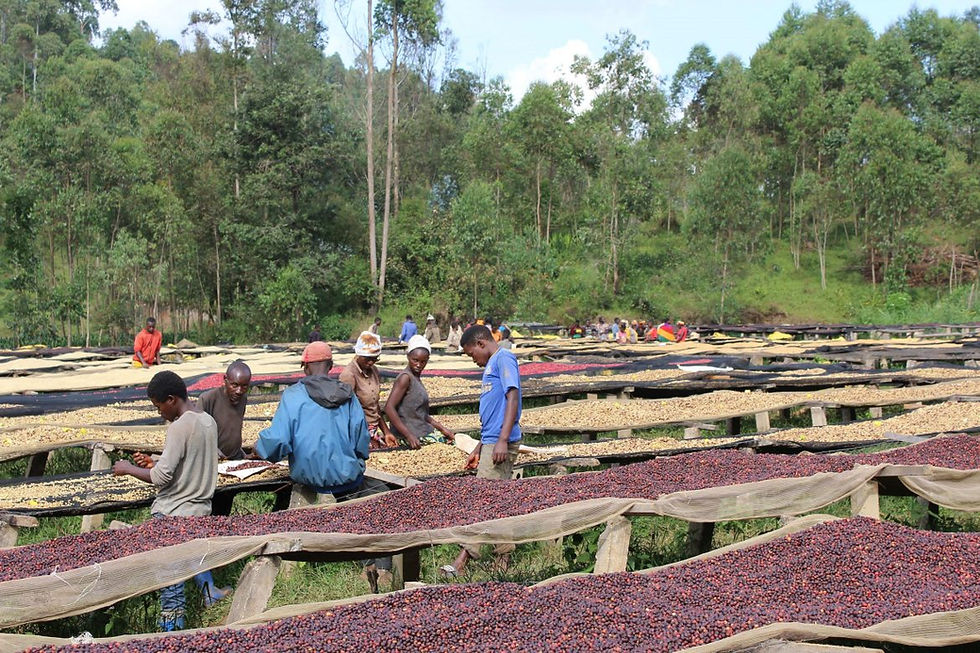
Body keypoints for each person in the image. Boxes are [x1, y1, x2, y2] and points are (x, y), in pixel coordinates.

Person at [254, 341, 390, 591]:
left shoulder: (293, 395)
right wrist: (357, 460)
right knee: (371, 495)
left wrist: (259, 449)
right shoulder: (347, 395)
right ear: (329, 366)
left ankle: (287, 560)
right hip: (347, 476)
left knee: (282, 503)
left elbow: (279, 441)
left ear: (305, 368)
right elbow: (360, 438)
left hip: (308, 477)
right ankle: (375, 563)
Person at [113, 371, 227, 631]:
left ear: (171, 399)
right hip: (199, 509)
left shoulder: (179, 426)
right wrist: (156, 460)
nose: (159, 412)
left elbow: (161, 477)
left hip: (173, 513)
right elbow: (188, 463)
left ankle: (172, 633)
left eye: (158, 406)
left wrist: (128, 468)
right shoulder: (207, 421)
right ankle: (210, 593)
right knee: (194, 555)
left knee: (171, 580)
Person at [442, 324, 522, 577]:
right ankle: (503, 556)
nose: (472, 359)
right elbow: (493, 411)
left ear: (481, 343)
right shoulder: (491, 364)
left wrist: (502, 439)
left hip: (501, 442)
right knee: (497, 501)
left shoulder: (504, 358)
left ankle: (463, 560)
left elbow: (513, 396)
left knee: (482, 501)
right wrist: (481, 445)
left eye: (471, 354)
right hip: (491, 441)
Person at [384, 335, 455, 449]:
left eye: (423, 361)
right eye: (415, 360)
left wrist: (442, 428)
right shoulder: (405, 378)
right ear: (408, 357)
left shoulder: (416, 378)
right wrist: (408, 435)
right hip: (410, 435)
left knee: (453, 441)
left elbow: (420, 413)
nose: (419, 365)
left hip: (420, 430)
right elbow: (389, 408)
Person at [339, 331, 396, 450]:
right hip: (359, 432)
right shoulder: (349, 375)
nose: (371, 362)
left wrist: (386, 432)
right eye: (367, 359)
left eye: (374, 359)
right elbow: (345, 412)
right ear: (358, 354)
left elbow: (375, 407)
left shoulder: (374, 371)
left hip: (373, 429)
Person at [197, 361, 251, 461]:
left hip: (235, 459)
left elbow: (233, 430)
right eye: (234, 385)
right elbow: (197, 433)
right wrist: (213, 450)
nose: (239, 391)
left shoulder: (242, 399)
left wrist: (242, 454)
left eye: (244, 386)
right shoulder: (208, 399)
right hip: (213, 460)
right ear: (225, 380)